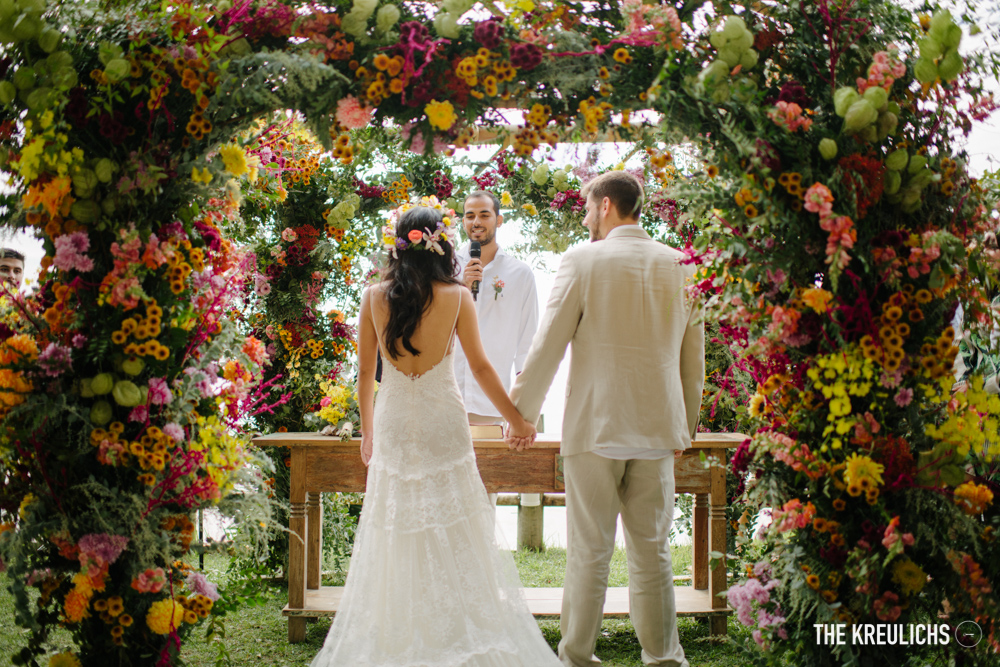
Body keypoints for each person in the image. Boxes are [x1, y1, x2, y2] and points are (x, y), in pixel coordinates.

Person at [311, 202, 561, 667]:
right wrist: (519, 419)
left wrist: (368, 432)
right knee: (456, 519)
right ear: (440, 244)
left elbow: (366, 374)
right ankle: (457, 624)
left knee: (395, 520)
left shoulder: (373, 296)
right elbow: (483, 368)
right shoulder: (457, 296)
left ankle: (400, 628)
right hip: (444, 418)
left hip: (394, 418)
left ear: (398, 246)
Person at [509, 171, 705, 667]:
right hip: (658, 430)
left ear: (606, 206)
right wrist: (685, 426)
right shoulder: (681, 266)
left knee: (589, 551)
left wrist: (521, 414)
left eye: (587, 207)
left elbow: (547, 345)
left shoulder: (582, 260)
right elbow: (693, 360)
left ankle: (576, 656)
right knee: (653, 552)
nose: (584, 216)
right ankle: (664, 658)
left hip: (595, 428)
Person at [454, 190, 539, 427]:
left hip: (493, 405)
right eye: (470, 216)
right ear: (463, 222)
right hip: (447, 399)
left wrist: (525, 403)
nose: (476, 222)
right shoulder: (445, 269)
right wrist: (462, 287)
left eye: (484, 215)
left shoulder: (520, 274)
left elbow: (527, 341)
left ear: (499, 220)